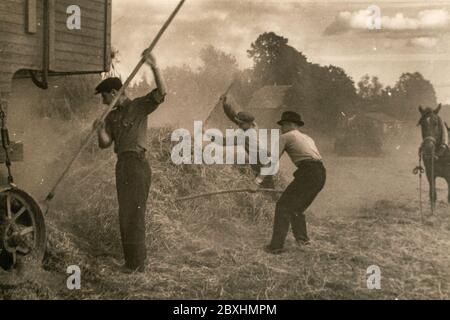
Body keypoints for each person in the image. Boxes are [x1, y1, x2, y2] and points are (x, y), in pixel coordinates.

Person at [93, 50, 166, 273]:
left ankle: (138, 264)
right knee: (125, 213)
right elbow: (105, 144)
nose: (103, 101)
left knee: (135, 213)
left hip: (137, 164)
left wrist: (153, 65)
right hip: (122, 165)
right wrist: (98, 130)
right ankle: (130, 262)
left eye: (104, 96)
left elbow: (161, 94)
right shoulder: (112, 116)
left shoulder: (138, 106)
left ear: (114, 92)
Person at [262, 111, 326, 254]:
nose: (281, 129)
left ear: (289, 124)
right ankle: (303, 241)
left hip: (308, 172)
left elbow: (272, 161)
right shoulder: (307, 138)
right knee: (296, 208)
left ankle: (276, 246)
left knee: (283, 206)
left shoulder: (286, 136)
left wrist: (258, 181)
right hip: (320, 173)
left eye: (282, 125)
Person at [218, 95, 275, 189]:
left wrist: (207, 135)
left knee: (265, 186)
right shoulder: (252, 125)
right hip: (263, 156)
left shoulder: (245, 136)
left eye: (241, 124)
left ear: (248, 123)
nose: (239, 126)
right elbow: (234, 117)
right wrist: (225, 104)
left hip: (262, 161)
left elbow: (224, 142)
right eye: (239, 123)